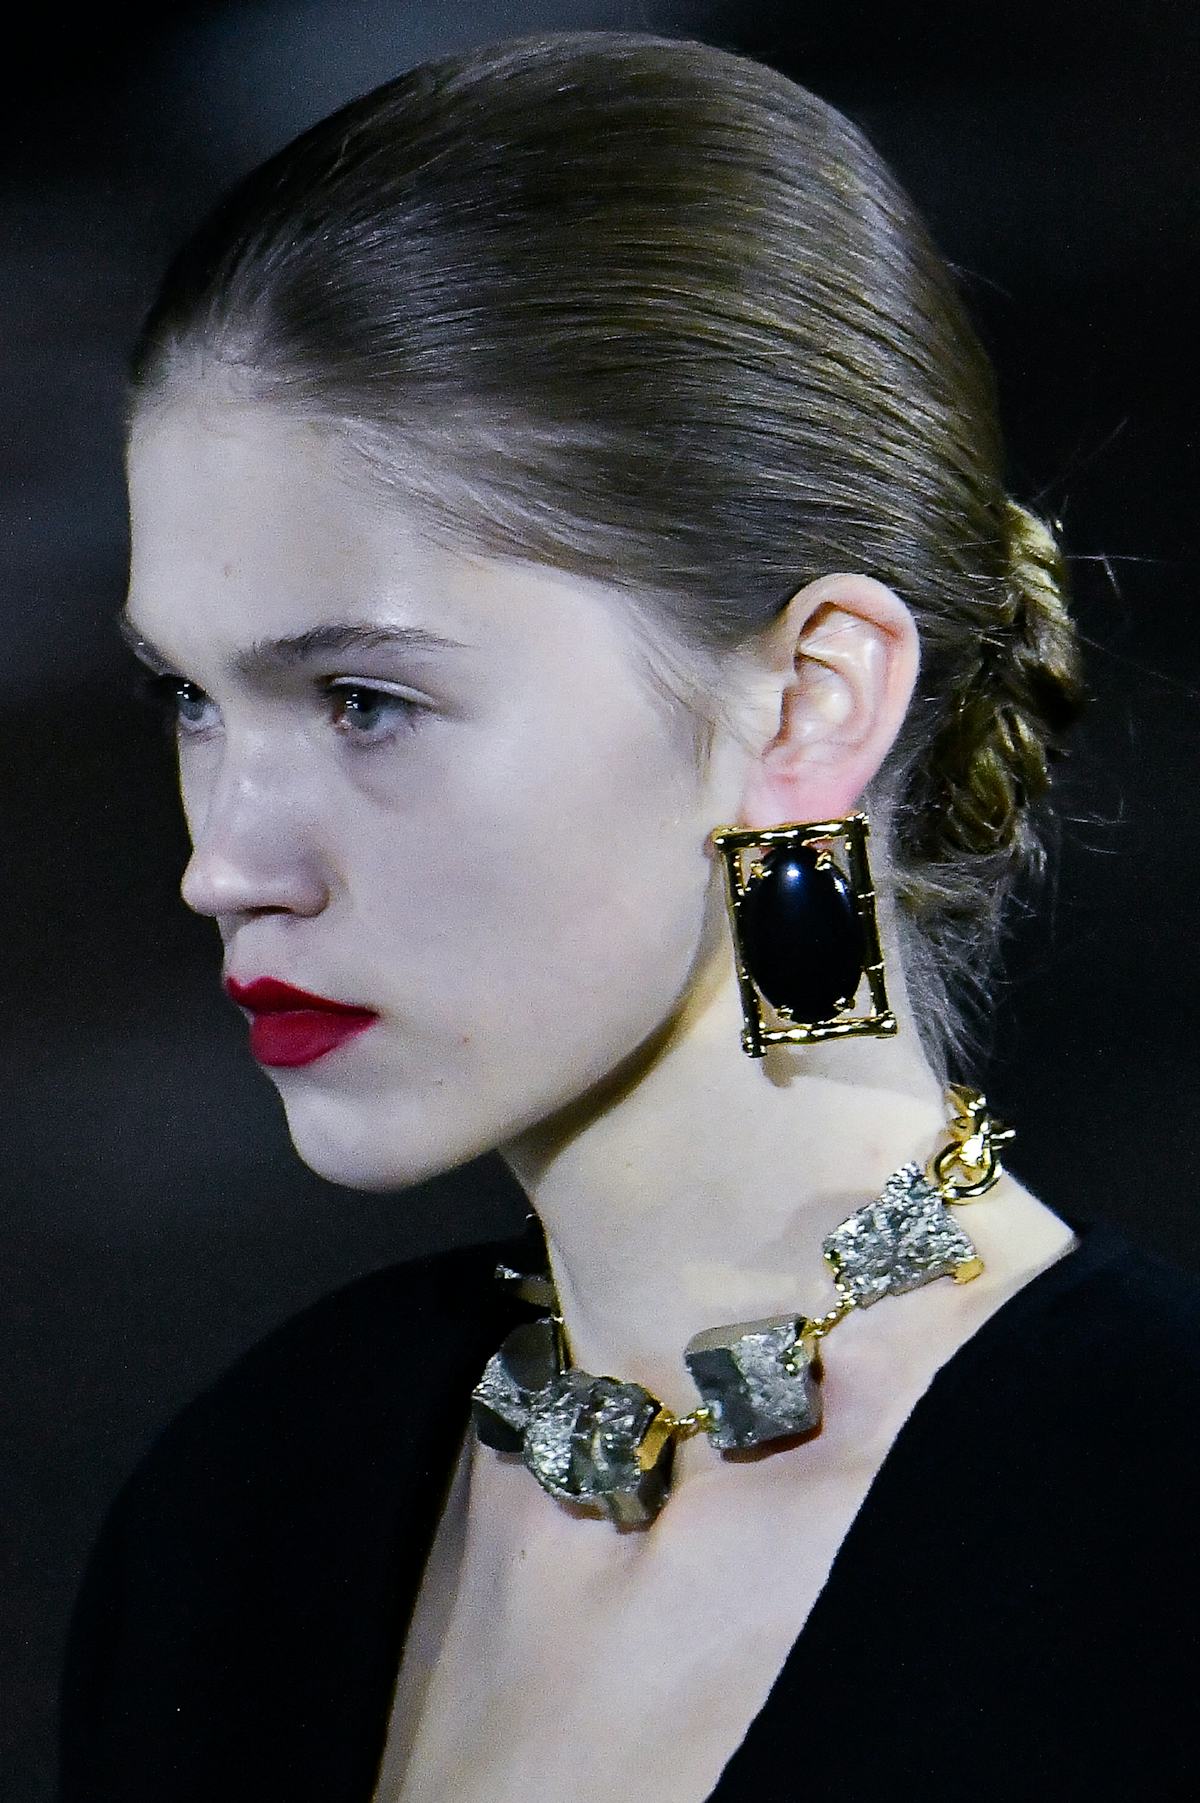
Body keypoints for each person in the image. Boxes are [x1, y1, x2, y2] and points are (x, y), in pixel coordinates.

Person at [56, 28, 1200, 1803]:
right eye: (191, 702)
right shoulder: (242, 1514)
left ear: (811, 702)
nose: (226, 860)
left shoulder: (1153, 1539)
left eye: (365, 700)